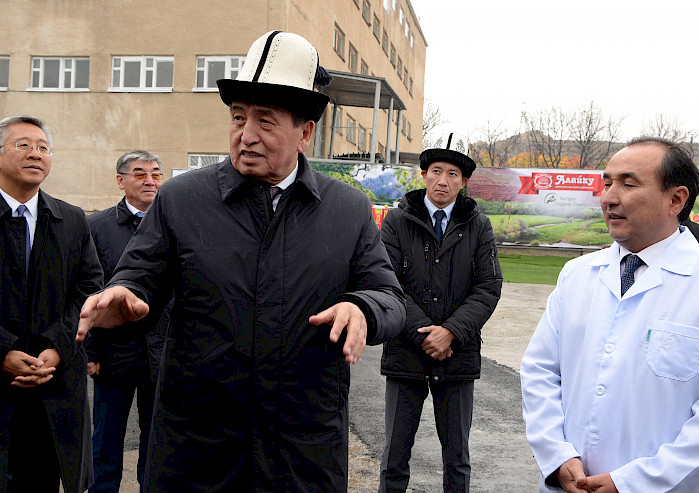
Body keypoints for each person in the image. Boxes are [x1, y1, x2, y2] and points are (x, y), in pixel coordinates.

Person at [75, 31, 405, 492]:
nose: (246, 136)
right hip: (197, 454)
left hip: (302, 453)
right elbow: (140, 274)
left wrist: (363, 307)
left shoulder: (347, 209)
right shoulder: (182, 198)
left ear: (305, 132)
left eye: (265, 121)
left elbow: (390, 296)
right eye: (237, 117)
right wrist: (124, 295)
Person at [521, 137, 699, 492]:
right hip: (573, 482)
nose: (609, 198)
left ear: (676, 200)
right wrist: (557, 456)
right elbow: (540, 371)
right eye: (607, 183)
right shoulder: (577, 274)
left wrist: (634, 483)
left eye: (628, 184)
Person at [379, 135, 502, 492]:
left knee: (457, 459)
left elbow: (488, 287)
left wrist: (450, 332)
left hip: (457, 356)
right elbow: (387, 282)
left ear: (464, 182)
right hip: (406, 353)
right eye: (435, 171)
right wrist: (424, 333)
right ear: (423, 175)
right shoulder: (397, 221)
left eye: (452, 174)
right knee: (394, 457)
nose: (442, 181)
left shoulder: (479, 225)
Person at [0, 115, 103, 492]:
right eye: (23, 145)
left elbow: (89, 289)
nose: (36, 154)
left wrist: (56, 349)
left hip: (53, 386)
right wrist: (3, 351)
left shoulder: (71, 220)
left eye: (44, 147)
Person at [87, 150, 169, 493]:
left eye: (156, 174)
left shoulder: (174, 225)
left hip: (162, 354)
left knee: (156, 441)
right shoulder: (97, 227)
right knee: (106, 439)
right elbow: (87, 290)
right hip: (113, 354)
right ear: (120, 181)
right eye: (139, 174)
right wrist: (90, 351)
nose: (150, 181)